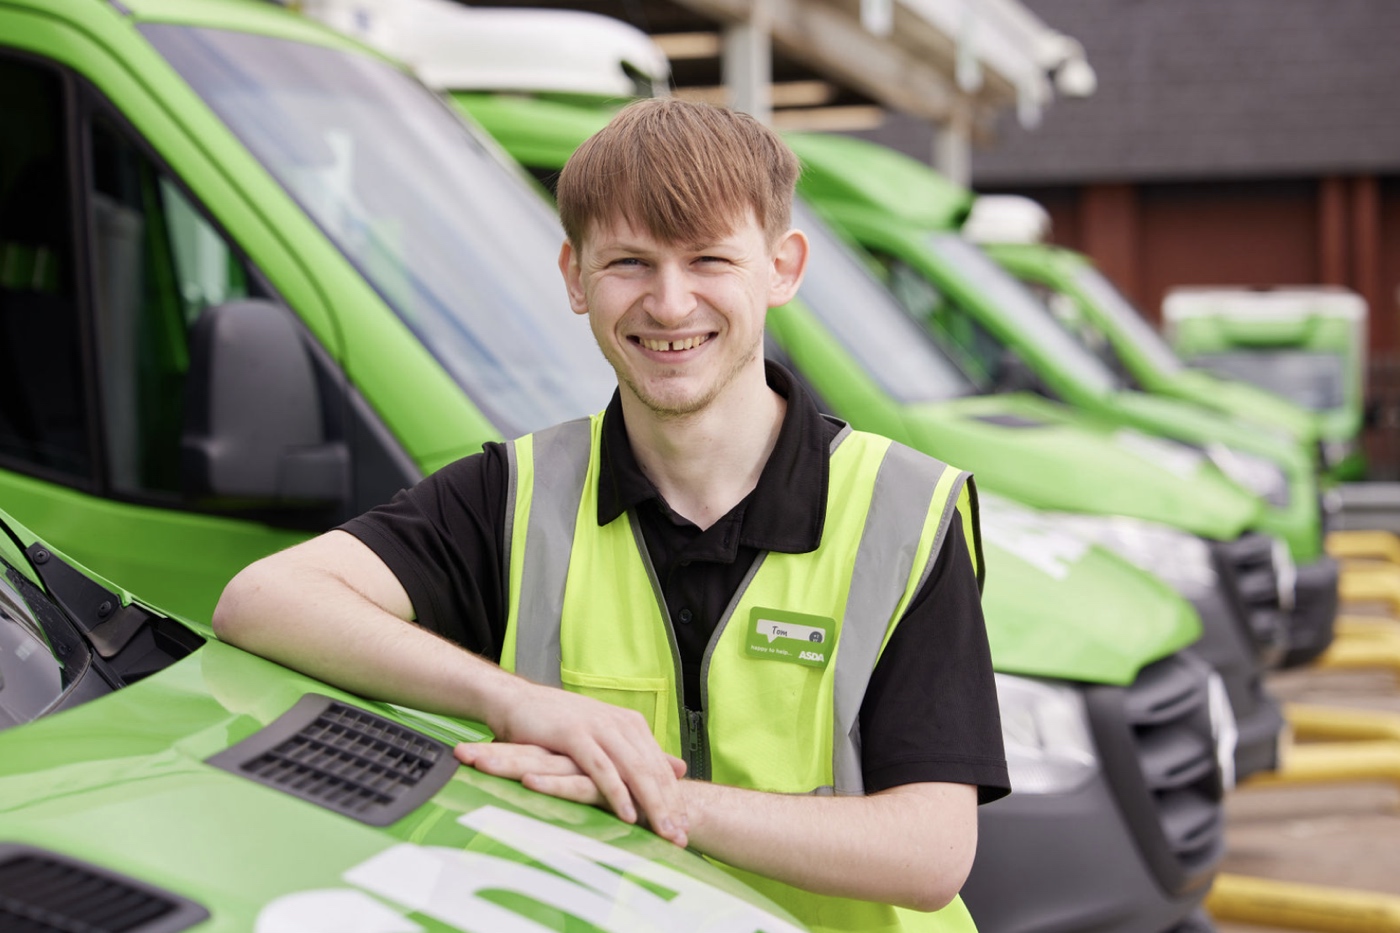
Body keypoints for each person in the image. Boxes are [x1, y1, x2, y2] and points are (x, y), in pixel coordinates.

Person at [213, 98, 1008, 932]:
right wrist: (513, 700)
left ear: (782, 267)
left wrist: (656, 798)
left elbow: (931, 851)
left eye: (708, 259)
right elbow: (262, 599)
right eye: (630, 262)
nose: (669, 303)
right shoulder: (516, 493)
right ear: (574, 276)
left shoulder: (901, 510)